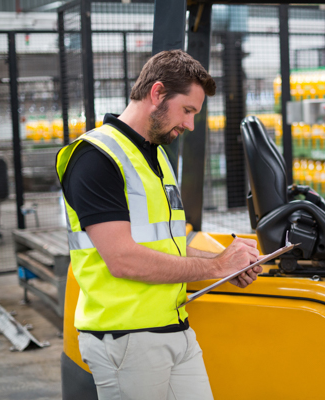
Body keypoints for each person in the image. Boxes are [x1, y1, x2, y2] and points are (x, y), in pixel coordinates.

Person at [55, 50, 261, 400]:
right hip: (126, 338)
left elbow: (166, 247)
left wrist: (227, 264)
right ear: (157, 93)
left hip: (174, 328)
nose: (190, 124)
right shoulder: (95, 158)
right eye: (188, 110)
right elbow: (122, 258)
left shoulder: (156, 156)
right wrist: (215, 265)